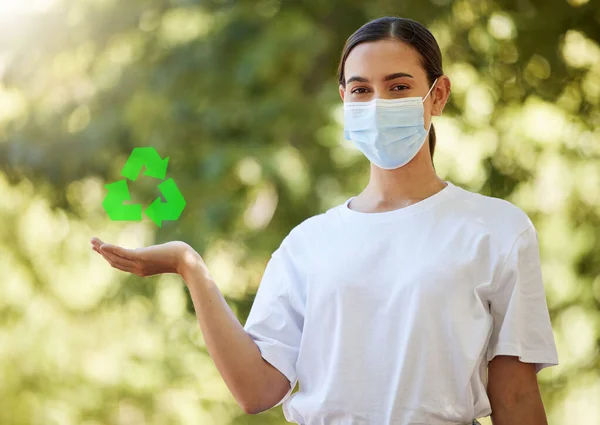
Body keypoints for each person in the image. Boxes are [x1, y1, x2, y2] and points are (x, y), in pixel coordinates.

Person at [91, 16, 559, 425]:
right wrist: (188, 265)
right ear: (344, 100)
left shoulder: (497, 230)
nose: (377, 104)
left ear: (437, 96)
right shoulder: (309, 243)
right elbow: (257, 392)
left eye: (398, 87)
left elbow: (515, 397)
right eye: (361, 89)